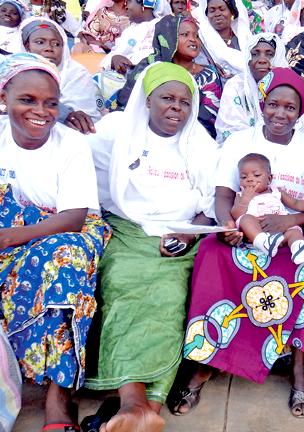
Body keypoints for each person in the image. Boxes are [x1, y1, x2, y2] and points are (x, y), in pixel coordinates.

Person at [171, 67, 304, 419]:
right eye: (273, 104)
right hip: (242, 228)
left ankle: (300, 370)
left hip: (288, 234)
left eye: (290, 107)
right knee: (212, 254)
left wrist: (286, 222)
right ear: (262, 105)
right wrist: (229, 225)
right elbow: (223, 193)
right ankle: (204, 360)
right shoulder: (240, 142)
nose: (280, 113)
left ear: (301, 111)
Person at [84, 62, 218, 431]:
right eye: (167, 99)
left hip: (182, 236)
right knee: (124, 283)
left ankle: (144, 408)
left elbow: (210, 206)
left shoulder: (200, 144)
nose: (176, 108)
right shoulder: (115, 130)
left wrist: (190, 234)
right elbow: (71, 153)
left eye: (184, 102)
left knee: (170, 296)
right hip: (130, 230)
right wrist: (67, 116)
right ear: (147, 100)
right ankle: (137, 403)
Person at [0, 52, 109, 431]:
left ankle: (59, 398)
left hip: (68, 228)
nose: (41, 111)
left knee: (63, 262)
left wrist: (13, 236)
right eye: (27, 100)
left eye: (50, 103)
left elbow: (74, 217)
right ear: (4, 98)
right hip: (11, 224)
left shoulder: (70, 144)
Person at [115, 14, 222, 137]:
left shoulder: (209, 75)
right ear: (169, 37)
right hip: (145, 131)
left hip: (193, 136)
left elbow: (209, 117)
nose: (193, 39)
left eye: (196, 35)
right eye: (185, 35)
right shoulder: (150, 67)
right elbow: (129, 104)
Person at [17, 17, 102, 134]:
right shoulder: (14, 73)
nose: (49, 48)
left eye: (56, 44)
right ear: (27, 46)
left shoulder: (75, 73)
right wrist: (63, 113)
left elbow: (83, 120)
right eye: (40, 42)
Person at [232, 152, 304, 262]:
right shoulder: (241, 195)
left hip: (282, 231)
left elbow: (295, 203)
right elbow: (236, 215)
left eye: (256, 175)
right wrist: (245, 200)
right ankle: (263, 242)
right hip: (256, 233)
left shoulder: (276, 191)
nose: (250, 179)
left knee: (294, 231)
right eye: (244, 177)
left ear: (269, 179)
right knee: (246, 219)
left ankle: (298, 247)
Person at [215, 32, 299, 144]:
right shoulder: (236, 86)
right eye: (255, 54)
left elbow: (297, 130)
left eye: (269, 54)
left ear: (278, 58)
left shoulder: (291, 88)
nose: (262, 60)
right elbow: (230, 131)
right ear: (248, 59)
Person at [99, 0, 171, 73]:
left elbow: (151, 55)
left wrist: (130, 61)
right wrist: (114, 59)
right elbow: (113, 54)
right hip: (124, 77)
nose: (125, 7)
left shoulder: (163, 26)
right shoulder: (129, 31)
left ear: (145, 4)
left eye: (129, 2)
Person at [192, 0, 251, 78]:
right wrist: (209, 68)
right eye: (212, 11)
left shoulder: (245, 37)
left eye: (222, 9)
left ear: (232, 12)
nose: (217, 14)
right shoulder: (202, 42)